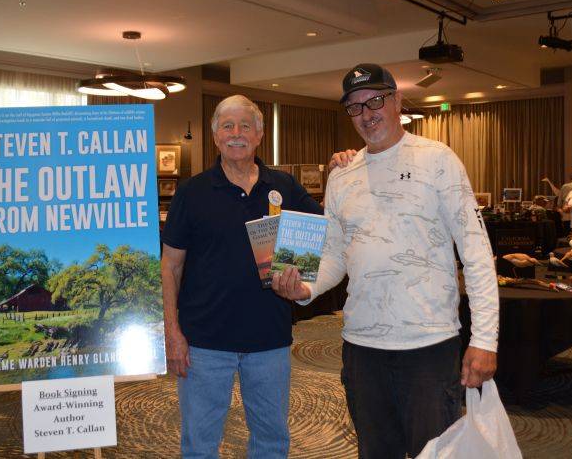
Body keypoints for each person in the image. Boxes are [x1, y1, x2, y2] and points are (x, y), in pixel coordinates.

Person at [272, 64, 499, 459]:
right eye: (355, 107)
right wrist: (305, 288)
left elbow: (477, 252)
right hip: (361, 348)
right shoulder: (342, 175)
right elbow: (337, 254)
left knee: (436, 454)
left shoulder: (438, 160)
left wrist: (484, 340)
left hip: (428, 345)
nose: (366, 113)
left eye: (375, 100)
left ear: (396, 101)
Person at [161, 95, 323, 458]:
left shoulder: (285, 187)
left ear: (260, 134)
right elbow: (170, 264)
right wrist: (172, 332)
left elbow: (324, 231)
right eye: (228, 126)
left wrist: (344, 168)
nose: (236, 134)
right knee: (199, 446)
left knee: (271, 443)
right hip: (203, 344)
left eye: (245, 126)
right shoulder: (192, 192)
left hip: (270, 342)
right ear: (216, 135)